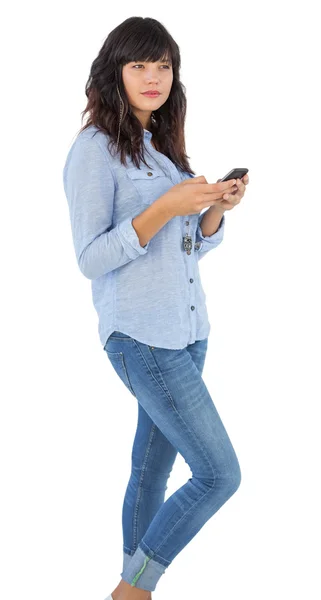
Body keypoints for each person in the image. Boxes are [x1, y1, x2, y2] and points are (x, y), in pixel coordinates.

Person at [62, 16, 249, 600]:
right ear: (114, 71)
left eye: (163, 65)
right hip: (142, 336)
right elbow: (91, 258)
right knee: (220, 475)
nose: (153, 77)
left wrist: (215, 208)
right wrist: (168, 206)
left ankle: (132, 581)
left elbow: (188, 244)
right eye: (139, 64)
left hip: (188, 332)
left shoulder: (160, 148)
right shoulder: (93, 150)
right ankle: (132, 589)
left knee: (151, 471)